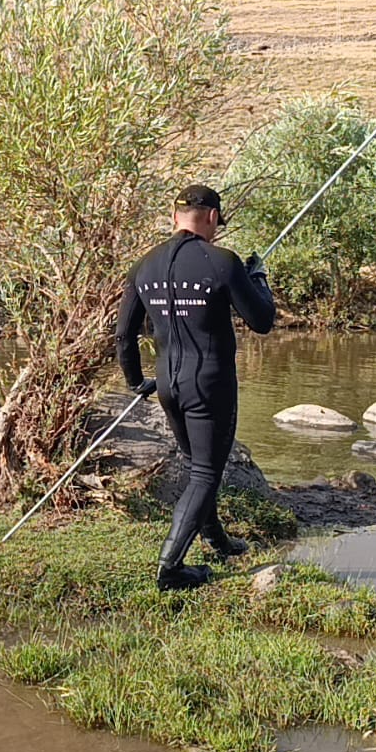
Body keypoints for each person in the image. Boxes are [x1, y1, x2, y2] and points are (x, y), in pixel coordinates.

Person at [114, 184, 276, 591]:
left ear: (175, 217)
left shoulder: (143, 266)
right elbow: (262, 320)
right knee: (205, 473)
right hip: (211, 385)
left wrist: (136, 382)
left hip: (169, 384)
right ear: (213, 218)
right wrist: (259, 281)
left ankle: (216, 538)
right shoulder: (222, 261)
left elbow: (122, 337)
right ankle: (170, 568)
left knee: (197, 466)